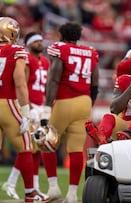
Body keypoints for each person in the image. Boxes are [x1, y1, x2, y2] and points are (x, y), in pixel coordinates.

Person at [44, 22, 99, 203]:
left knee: (47, 143)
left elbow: (54, 78)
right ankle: (72, 194)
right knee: (76, 150)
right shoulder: (90, 52)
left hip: (64, 101)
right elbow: (95, 83)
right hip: (84, 101)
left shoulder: (59, 49)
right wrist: (89, 102)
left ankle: (53, 188)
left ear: (61, 35)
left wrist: (46, 106)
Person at [0, 17, 50, 202]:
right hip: (7, 102)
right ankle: (30, 193)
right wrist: (26, 112)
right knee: (27, 147)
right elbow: (20, 83)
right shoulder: (17, 51)